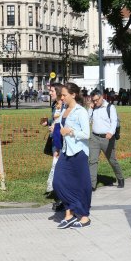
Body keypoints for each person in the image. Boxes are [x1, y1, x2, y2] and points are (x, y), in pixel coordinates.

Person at [53, 82, 92, 229]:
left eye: (64, 95)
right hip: (65, 151)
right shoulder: (64, 109)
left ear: (73, 95)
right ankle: (71, 211)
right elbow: (60, 125)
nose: (62, 97)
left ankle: (84, 216)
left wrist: (70, 132)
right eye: (61, 95)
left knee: (81, 184)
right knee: (58, 182)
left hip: (79, 152)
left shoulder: (81, 111)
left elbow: (86, 134)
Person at [88, 89, 124, 190]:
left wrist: (111, 132)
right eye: (93, 100)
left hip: (107, 138)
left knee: (112, 160)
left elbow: (114, 121)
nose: (95, 102)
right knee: (92, 161)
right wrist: (90, 109)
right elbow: (87, 120)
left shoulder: (110, 107)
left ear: (102, 97)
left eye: (97, 100)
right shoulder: (93, 108)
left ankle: (120, 178)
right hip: (94, 137)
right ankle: (92, 185)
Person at [44, 83, 65, 211]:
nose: (50, 93)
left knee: (60, 168)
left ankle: (62, 199)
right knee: (56, 167)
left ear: (58, 91)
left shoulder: (65, 105)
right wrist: (49, 123)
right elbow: (55, 120)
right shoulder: (54, 105)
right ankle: (59, 197)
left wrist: (56, 128)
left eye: (52, 91)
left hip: (63, 140)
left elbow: (64, 122)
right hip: (55, 139)